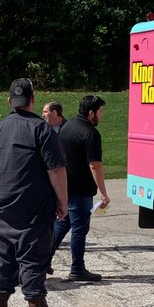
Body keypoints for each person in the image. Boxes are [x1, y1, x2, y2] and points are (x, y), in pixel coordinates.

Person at [0, 78, 70, 307]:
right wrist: (62, 201)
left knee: (2, 257)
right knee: (32, 257)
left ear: (9, 101)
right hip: (32, 208)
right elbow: (56, 170)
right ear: (32, 99)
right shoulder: (42, 129)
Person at [52, 94, 110, 282]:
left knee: (63, 224)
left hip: (64, 186)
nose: (101, 115)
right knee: (80, 228)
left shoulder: (67, 126)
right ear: (91, 113)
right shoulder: (91, 133)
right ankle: (77, 268)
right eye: (100, 111)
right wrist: (103, 193)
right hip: (81, 189)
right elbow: (95, 165)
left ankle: (42, 261)